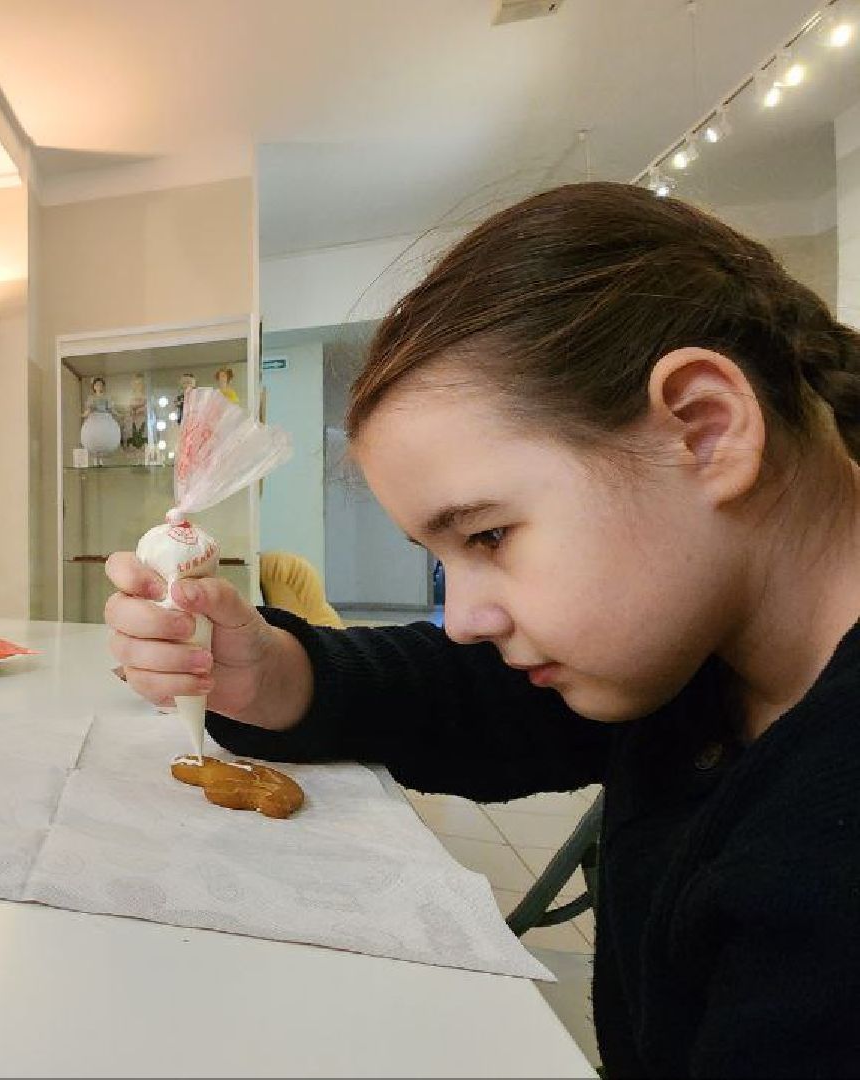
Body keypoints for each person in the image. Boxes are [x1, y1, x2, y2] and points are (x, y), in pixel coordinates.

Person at [102, 182, 860, 1076]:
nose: (459, 619)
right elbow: (476, 698)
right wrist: (265, 671)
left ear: (701, 431)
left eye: (489, 535)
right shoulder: (699, 656)